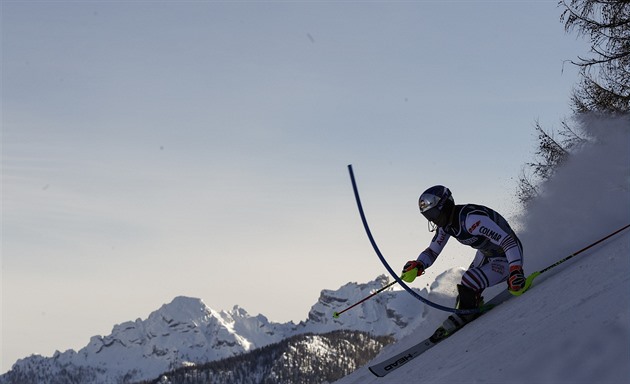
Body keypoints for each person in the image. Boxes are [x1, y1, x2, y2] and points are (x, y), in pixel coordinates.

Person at [400, 185, 526, 339]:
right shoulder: (446, 226)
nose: (433, 220)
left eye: (433, 214)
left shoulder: (471, 219)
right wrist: (419, 264)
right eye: (428, 217)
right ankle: (468, 308)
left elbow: (508, 241)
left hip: (507, 256)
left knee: (469, 280)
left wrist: (515, 269)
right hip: (486, 254)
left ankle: (466, 314)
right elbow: (432, 251)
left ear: (445, 206)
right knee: (466, 289)